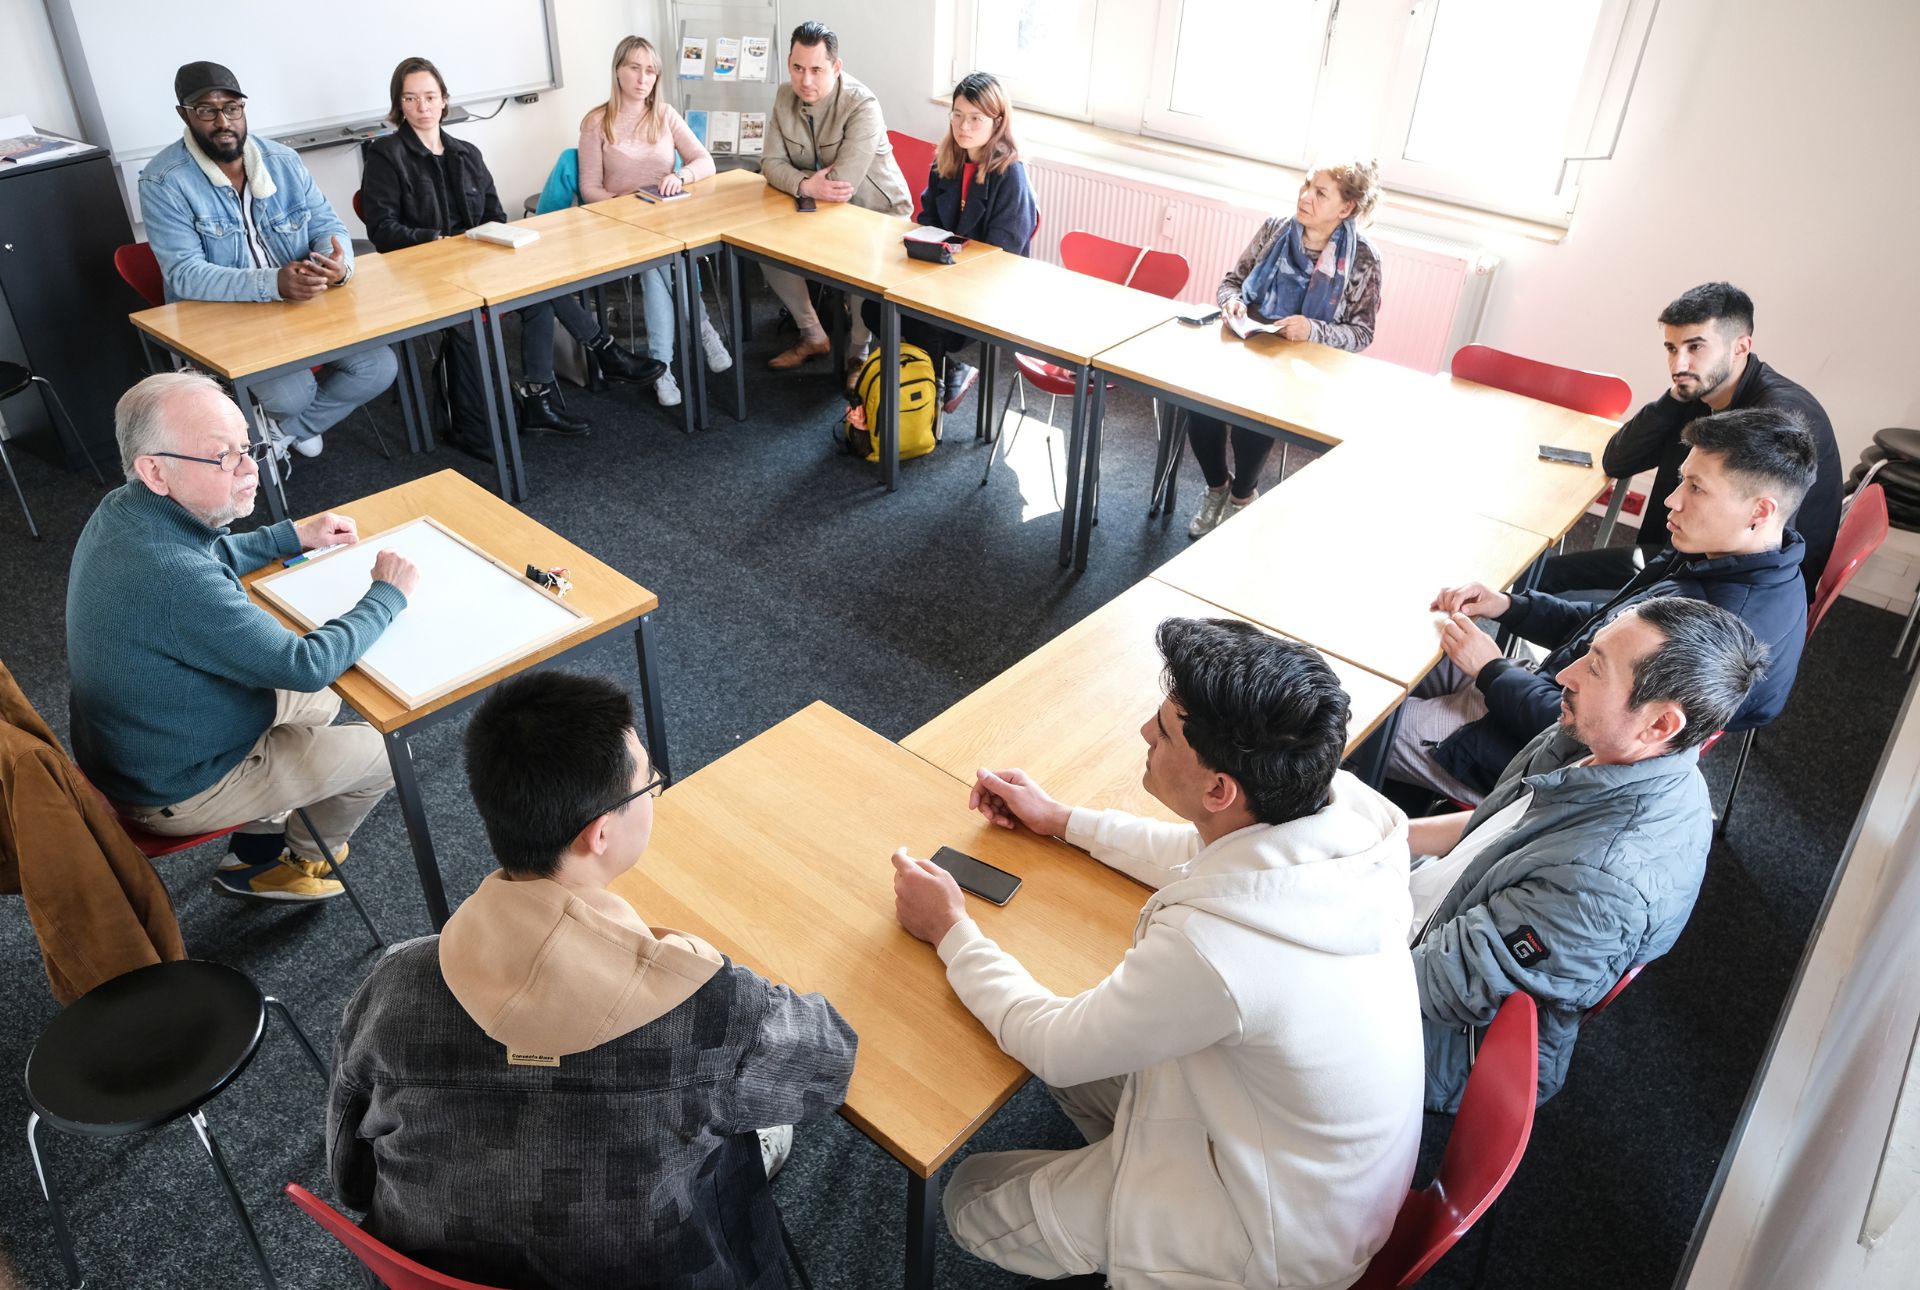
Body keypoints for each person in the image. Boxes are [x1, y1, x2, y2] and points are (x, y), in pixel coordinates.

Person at [891, 618, 1422, 1289]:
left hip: (1275, 1235)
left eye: (1166, 729)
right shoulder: (1338, 812)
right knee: (1076, 1031)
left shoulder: (1220, 949)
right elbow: (1205, 854)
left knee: (968, 1196)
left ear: (1218, 789)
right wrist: (1060, 820)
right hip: (1322, 1169)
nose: (1145, 732)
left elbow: (1055, 1043)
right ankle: (1121, 1174)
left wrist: (950, 930)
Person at [329, 671, 856, 1288]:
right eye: (648, 787)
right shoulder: (716, 1012)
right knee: (747, 1123)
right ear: (598, 833)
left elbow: (351, 1174)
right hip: (653, 1269)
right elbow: (830, 1064)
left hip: (438, 1271)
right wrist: (691, 956)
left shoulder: (394, 984)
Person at [66, 373, 417, 902]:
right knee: (382, 753)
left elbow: (203, 557)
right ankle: (290, 864)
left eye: (247, 447)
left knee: (322, 705)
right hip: (175, 788)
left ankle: (258, 835)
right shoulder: (168, 574)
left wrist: (292, 536)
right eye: (222, 457)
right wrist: (387, 594)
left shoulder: (128, 509)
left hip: (147, 742)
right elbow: (305, 664)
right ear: (155, 470)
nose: (252, 468)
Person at [1409, 598, 1769, 1110]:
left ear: (1660, 725)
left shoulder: (1600, 887)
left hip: (1435, 1034)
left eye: (1596, 669)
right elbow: (1496, 829)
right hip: (1438, 914)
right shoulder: (1597, 740)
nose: (1566, 676)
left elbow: (1432, 988)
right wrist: (1390, 836)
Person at [1387, 407, 1814, 804]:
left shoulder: (1717, 628)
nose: (1671, 500)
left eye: (1697, 488)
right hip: (1540, 691)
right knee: (1405, 647)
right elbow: (1602, 628)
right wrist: (1508, 606)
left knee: (1362, 718)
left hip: (1531, 752)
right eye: (1684, 479)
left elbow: (1575, 737)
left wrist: (1490, 669)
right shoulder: (1724, 556)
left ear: (1760, 510)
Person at [362, 56, 664, 449]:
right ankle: (604, 352)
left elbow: (494, 214)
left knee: (541, 292)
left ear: (444, 100)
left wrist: (489, 239)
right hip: (425, 274)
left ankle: (539, 401)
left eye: (430, 97)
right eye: (411, 99)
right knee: (531, 298)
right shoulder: (386, 155)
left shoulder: (466, 152)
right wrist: (436, 240)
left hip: (477, 262)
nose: (422, 107)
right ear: (399, 104)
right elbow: (382, 230)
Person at [139, 61, 397, 461]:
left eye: (232, 107)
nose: (223, 121)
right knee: (292, 393)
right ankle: (287, 424)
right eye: (207, 110)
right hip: (224, 319)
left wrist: (339, 264)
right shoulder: (163, 180)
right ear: (184, 115)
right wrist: (272, 283)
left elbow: (327, 224)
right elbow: (184, 275)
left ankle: (278, 434)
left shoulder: (282, 160)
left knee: (378, 367)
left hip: (300, 306)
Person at [1539, 282, 1842, 602]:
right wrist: (1675, 396)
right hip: (1680, 556)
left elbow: (1757, 553)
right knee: (1537, 581)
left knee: (1551, 603)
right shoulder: (1699, 391)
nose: (1678, 365)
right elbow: (1618, 461)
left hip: (1724, 594)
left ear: (1740, 347)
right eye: (1672, 349)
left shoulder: (1777, 418)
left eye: (1696, 347)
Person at [1185, 161, 1385, 538]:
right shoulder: (1276, 228)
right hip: (1248, 345)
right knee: (1199, 405)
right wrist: (1232, 304)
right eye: (1307, 185)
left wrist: (1314, 329)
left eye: (1320, 193)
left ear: (1347, 208)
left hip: (1305, 367)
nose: (1305, 196)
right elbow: (1231, 282)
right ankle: (1217, 488)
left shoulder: (1363, 259)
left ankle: (1243, 497)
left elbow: (1362, 333)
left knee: (1257, 419)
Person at [858, 70, 1038, 411]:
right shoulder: (947, 160)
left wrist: (943, 264)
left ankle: (924, 393)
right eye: (957, 115)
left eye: (975, 118)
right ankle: (943, 373)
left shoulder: (1010, 173)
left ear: (997, 121)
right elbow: (928, 221)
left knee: (924, 325)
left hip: (985, 289)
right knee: (875, 307)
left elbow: (1003, 255)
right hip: (940, 275)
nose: (963, 127)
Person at [576, 36, 735, 409]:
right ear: (618, 70)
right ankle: (701, 330)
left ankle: (660, 365)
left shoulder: (664, 114)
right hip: (621, 225)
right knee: (656, 264)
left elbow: (704, 160)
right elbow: (589, 188)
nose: (642, 78)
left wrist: (681, 178)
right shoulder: (596, 122)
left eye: (650, 70)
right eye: (634, 67)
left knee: (658, 264)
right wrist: (622, 205)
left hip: (667, 219)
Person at [759, 20, 911, 378]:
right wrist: (806, 186)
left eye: (816, 69)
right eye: (797, 68)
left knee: (857, 268)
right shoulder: (784, 97)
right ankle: (813, 334)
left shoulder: (862, 104)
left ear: (836, 67)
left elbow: (843, 184)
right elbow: (769, 163)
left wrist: (799, 184)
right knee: (764, 249)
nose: (805, 80)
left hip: (878, 213)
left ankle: (859, 353)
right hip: (816, 208)